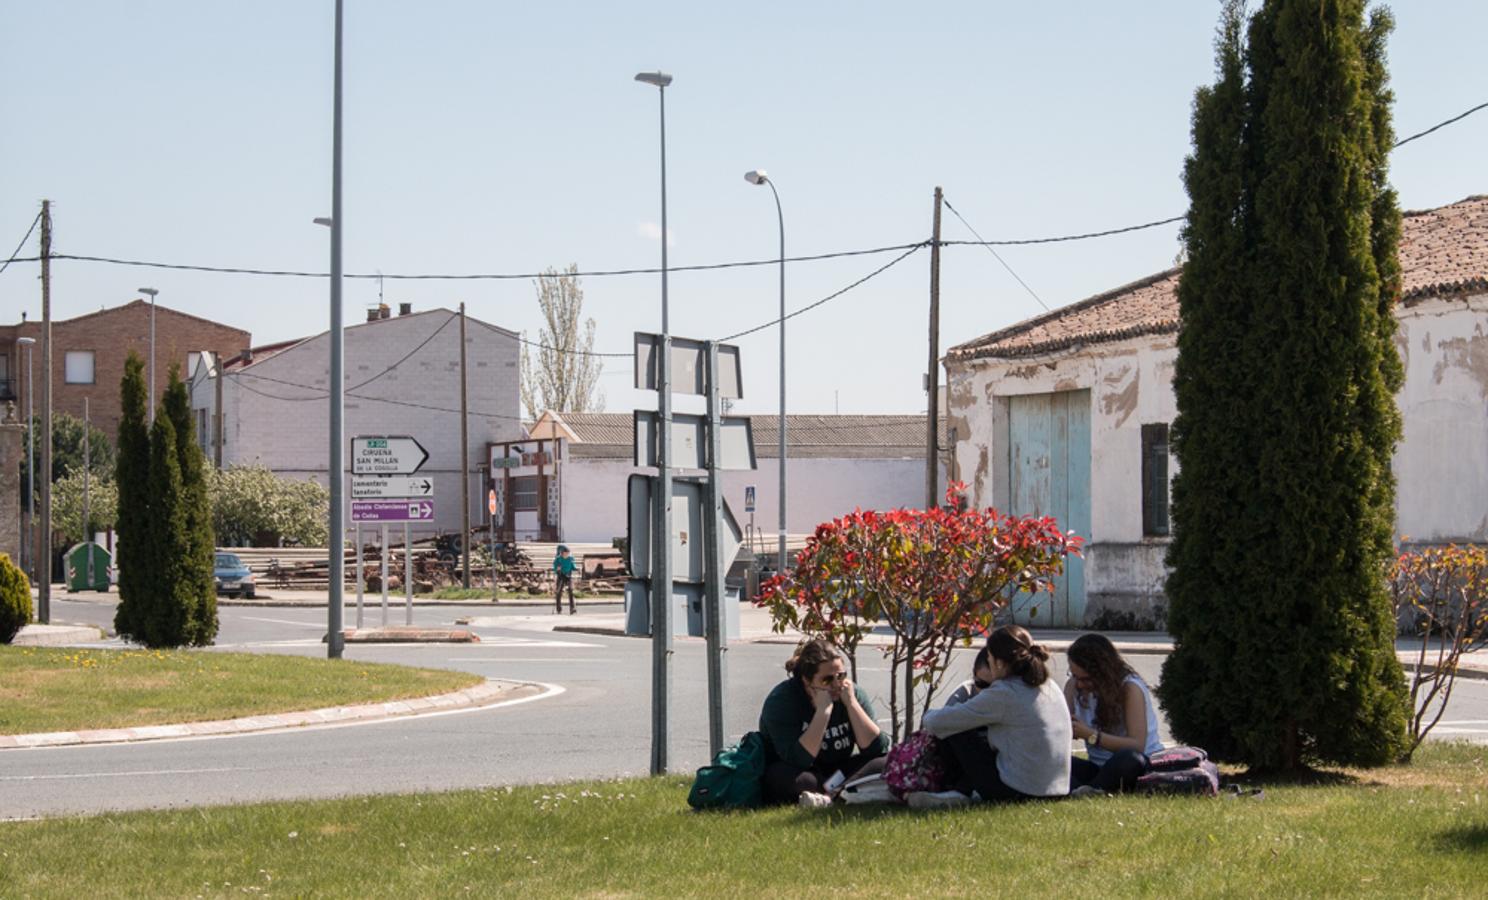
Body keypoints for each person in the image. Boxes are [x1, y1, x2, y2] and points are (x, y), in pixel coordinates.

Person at [915, 625, 1071, 808]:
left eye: (989, 658)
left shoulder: (1005, 692)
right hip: (1057, 789)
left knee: (956, 730)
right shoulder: (1049, 685)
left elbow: (937, 722)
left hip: (1016, 792)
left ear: (998, 662)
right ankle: (964, 789)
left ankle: (957, 791)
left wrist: (931, 714)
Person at [759, 638, 889, 807]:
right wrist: (823, 713)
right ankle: (846, 792)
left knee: (886, 762)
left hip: (839, 771)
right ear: (807, 680)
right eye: (827, 680)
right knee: (785, 778)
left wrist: (852, 704)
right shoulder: (782, 700)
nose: (836, 684)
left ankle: (830, 796)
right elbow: (799, 759)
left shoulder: (850, 692)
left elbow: (877, 748)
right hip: (801, 771)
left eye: (841, 676)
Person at [1065, 633, 1163, 795]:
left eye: (1086, 679)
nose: (1080, 684)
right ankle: (1090, 790)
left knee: (1130, 759)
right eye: (1075, 676)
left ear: (1103, 673)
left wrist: (1091, 735)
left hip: (1134, 764)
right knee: (1056, 762)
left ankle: (1084, 790)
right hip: (1098, 767)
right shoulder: (1074, 686)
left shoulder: (1130, 688)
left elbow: (1137, 745)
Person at [552, 545, 576, 614]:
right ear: (562, 553)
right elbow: (555, 568)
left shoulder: (570, 558)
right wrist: (557, 569)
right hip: (561, 576)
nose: (567, 554)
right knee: (559, 592)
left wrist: (575, 568)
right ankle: (559, 609)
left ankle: (572, 608)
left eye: (568, 553)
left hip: (568, 576)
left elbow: (573, 566)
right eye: (566, 553)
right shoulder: (558, 559)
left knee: (571, 591)